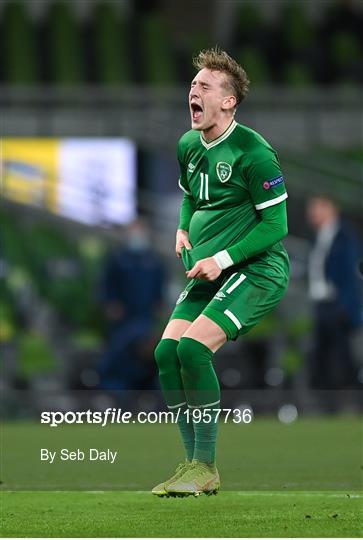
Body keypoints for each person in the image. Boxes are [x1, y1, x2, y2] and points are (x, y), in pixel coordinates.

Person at [153, 47, 289, 497]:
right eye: (193, 86)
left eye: (205, 87)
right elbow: (191, 195)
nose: (194, 91)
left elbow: (277, 224)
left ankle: (206, 466)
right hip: (207, 271)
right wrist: (180, 230)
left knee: (193, 350)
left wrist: (223, 259)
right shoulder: (188, 145)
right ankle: (191, 463)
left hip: (257, 269)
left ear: (229, 101)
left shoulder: (254, 152)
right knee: (166, 352)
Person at [99, 219, 165, 392]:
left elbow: (160, 289)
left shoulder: (153, 261)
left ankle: (150, 398)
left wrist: (160, 307)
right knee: (120, 358)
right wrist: (111, 305)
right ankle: (116, 396)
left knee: (149, 358)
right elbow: (107, 286)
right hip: (124, 321)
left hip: (146, 319)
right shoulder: (118, 259)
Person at [306, 195, 362, 390]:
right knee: (321, 354)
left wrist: (346, 306)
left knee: (341, 354)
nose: (311, 214)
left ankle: (348, 398)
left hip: (338, 305)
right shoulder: (319, 237)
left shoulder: (344, 235)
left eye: (317, 208)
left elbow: (350, 273)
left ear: (331, 208)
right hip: (322, 304)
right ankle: (326, 399)